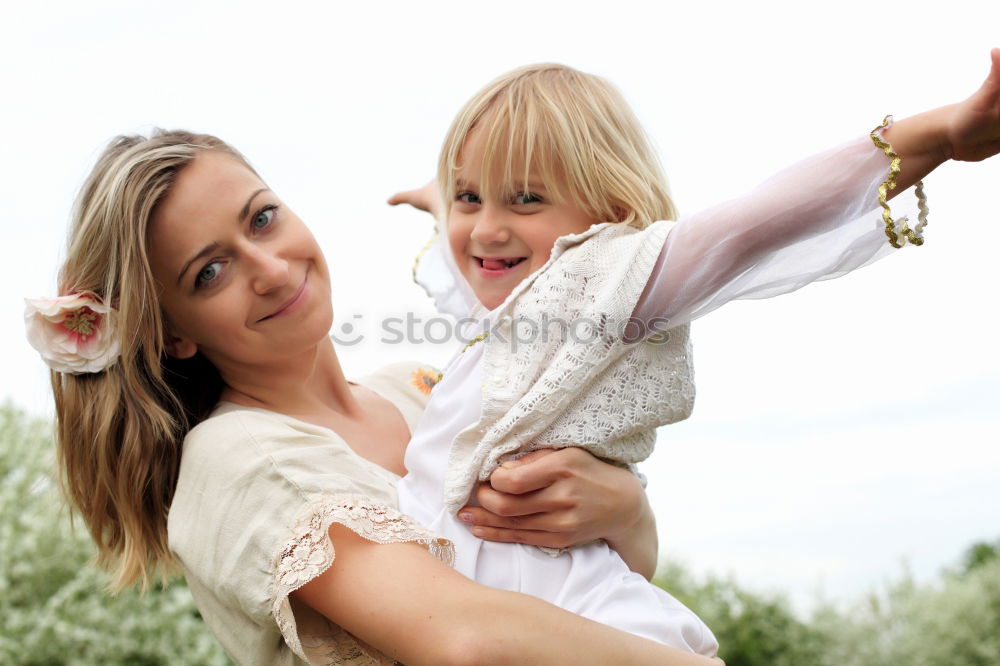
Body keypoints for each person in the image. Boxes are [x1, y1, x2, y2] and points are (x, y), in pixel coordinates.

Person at [25, 130, 727, 665]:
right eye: (210, 271)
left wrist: (625, 510)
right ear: (174, 334)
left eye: (262, 218)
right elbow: (463, 638)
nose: (269, 270)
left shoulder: (424, 388)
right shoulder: (238, 459)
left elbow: (601, 578)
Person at [388, 52, 1000, 655]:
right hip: (488, 611)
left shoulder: (602, 279)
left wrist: (940, 133)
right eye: (471, 198)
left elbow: (758, 221)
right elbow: (477, 251)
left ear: (611, 209)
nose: (487, 228)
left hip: (574, 616)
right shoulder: (508, 328)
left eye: (525, 199)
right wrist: (445, 202)